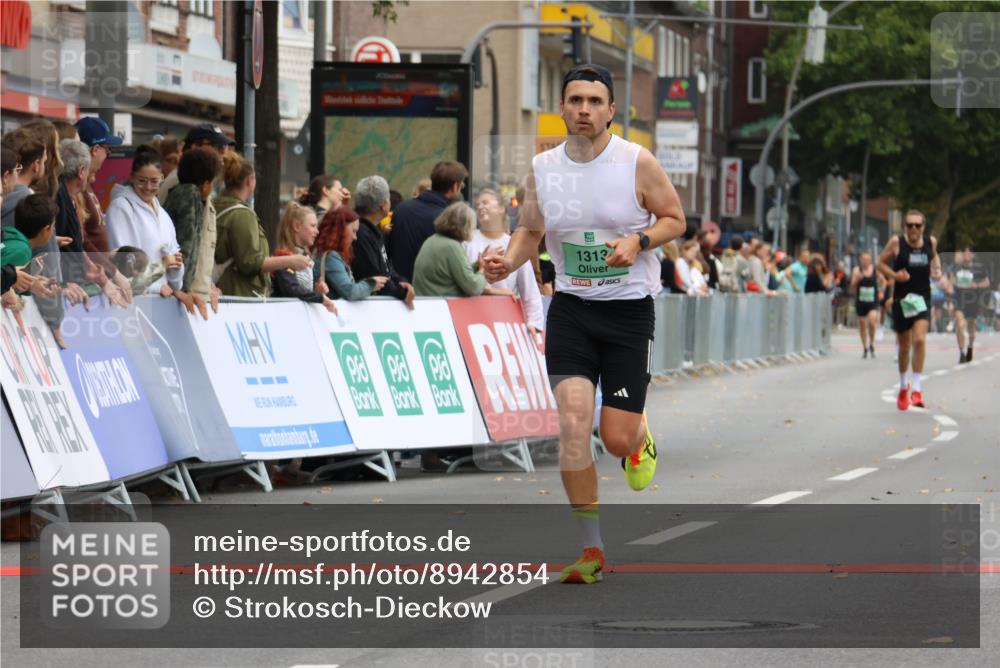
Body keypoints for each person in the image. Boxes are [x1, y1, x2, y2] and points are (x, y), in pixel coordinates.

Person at [482, 64, 686, 585]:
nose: (584, 110)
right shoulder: (543, 167)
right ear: (563, 107)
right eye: (575, 100)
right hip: (571, 308)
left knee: (613, 438)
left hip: (627, 311)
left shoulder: (636, 162)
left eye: (595, 101)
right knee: (573, 422)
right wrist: (508, 259)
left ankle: (638, 435)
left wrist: (638, 242)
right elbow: (531, 229)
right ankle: (591, 549)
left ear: (611, 110)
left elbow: (675, 219)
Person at [878, 210, 941, 411]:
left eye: (917, 225)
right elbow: (880, 263)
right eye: (910, 225)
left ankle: (917, 389)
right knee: (904, 347)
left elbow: (935, 257)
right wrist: (895, 276)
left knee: (920, 339)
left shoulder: (931, 242)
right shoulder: (896, 243)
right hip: (902, 300)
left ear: (923, 227)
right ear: (904, 226)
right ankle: (904, 386)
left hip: (922, 297)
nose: (914, 229)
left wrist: (937, 269)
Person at [56, 139, 129, 306]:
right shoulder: (59, 199)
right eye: (89, 171)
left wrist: (102, 276)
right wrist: (61, 284)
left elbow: (77, 245)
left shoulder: (68, 197)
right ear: (82, 171)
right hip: (69, 293)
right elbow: (57, 249)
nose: (92, 178)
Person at [106, 146, 184, 295]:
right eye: (142, 181)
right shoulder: (121, 208)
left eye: (154, 181)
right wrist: (156, 286)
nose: (148, 187)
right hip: (132, 302)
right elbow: (122, 267)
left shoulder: (163, 215)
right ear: (132, 177)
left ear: (162, 178)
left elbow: (176, 282)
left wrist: (176, 266)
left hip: (160, 302)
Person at [464, 189, 544, 332]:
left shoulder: (514, 244)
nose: (481, 207)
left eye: (486, 202)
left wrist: (535, 323)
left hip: (505, 321)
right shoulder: (467, 241)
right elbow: (462, 279)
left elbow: (529, 288)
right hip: (471, 319)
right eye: (478, 205)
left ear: (501, 208)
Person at [163, 147, 223, 315]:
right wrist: (184, 288)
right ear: (205, 184)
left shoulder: (181, 194)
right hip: (181, 292)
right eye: (212, 183)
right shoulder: (189, 196)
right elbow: (187, 246)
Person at [389, 160, 468, 282]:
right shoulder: (448, 219)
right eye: (461, 185)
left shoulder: (401, 208)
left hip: (397, 290)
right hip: (431, 292)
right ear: (455, 186)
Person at [350, 175, 415, 307]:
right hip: (368, 307)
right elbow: (375, 275)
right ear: (384, 205)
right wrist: (402, 292)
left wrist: (402, 281)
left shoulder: (373, 231)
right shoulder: (361, 233)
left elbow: (387, 267)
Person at [270, 201, 337, 313]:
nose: (317, 231)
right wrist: (319, 298)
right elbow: (291, 290)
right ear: (297, 226)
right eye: (313, 226)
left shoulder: (305, 256)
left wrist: (317, 290)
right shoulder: (283, 257)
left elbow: (304, 291)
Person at [314, 204, 387, 300]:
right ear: (341, 230)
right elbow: (350, 292)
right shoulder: (331, 257)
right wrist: (371, 284)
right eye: (353, 231)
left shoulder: (328, 253)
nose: (355, 237)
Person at [158, 123, 234, 202]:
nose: (223, 151)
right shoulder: (183, 180)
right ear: (195, 147)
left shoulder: (197, 177)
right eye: (217, 146)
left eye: (224, 147)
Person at [948, 245, 990, 363]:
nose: (966, 254)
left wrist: (975, 285)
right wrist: (952, 288)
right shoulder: (956, 267)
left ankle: (970, 347)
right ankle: (961, 352)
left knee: (971, 326)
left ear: (973, 255)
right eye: (964, 252)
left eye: (969, 252)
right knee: (960, 325)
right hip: (959, 299)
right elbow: (951, 281)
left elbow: (987, 282)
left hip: (972, 300)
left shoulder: (979, 268)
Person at [850, 251, 881, 358]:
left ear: (870, 260)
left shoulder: (875, 270)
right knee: (862, 324)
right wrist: (857, 279)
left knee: (872, 322)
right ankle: (865, 347)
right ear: (860, 260)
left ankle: (872, 342)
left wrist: (881, 291)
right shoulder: (856, 270)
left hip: (872, 301)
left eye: (867, 259)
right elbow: (852, 286)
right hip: (861, 302)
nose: (865, 262)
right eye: (863, 259)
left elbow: (883, 281)